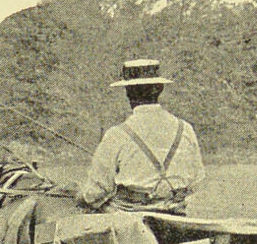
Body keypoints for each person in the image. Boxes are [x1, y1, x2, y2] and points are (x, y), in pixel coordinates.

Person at [77, 59, 204, 214]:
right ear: (160, 89)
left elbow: (96, 192)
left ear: (128, 92)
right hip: (175, 214)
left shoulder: (117, 134)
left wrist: (81, 197)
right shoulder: (185, 129)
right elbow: (196, 181)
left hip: (130, 219)